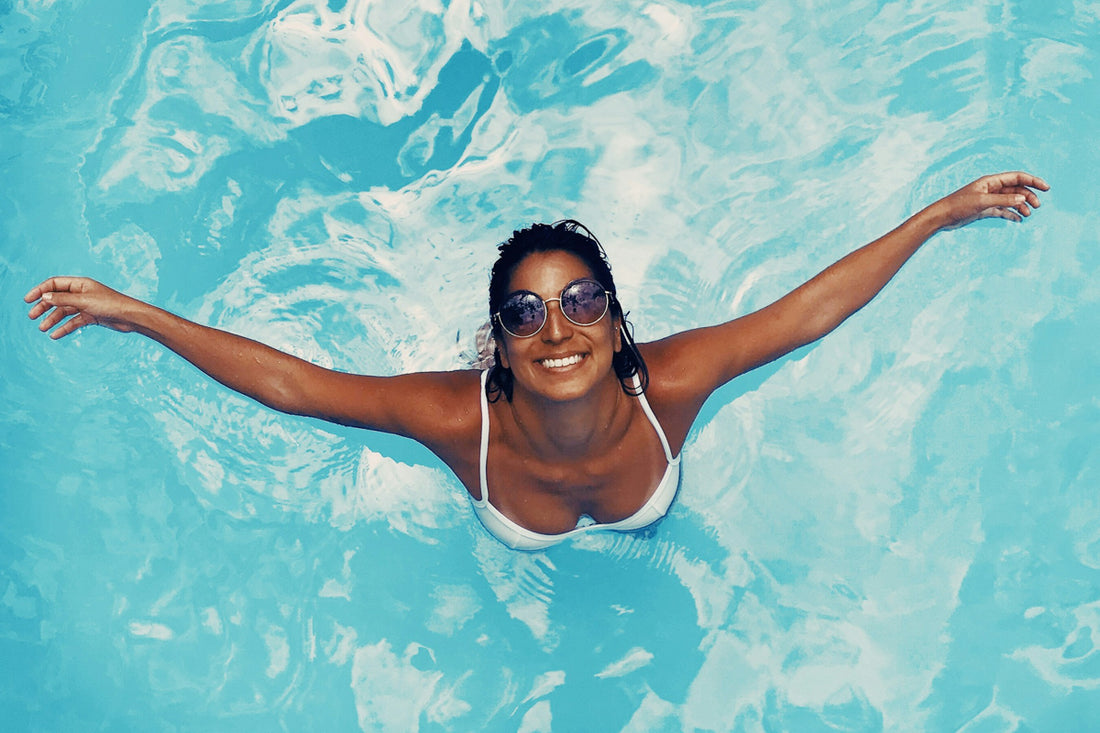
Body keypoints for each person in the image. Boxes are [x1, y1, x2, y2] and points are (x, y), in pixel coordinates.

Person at [25, 172, 1049, 549]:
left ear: (613, 324)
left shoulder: (672, 384)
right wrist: (135, 313)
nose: (553, 328)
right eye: (524, 311)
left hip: (646, 513)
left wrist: (940, 215)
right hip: (505, 531)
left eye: (578, 302)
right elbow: (297, 386)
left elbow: (807, 313)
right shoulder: (452, 416)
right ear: (499, 343)